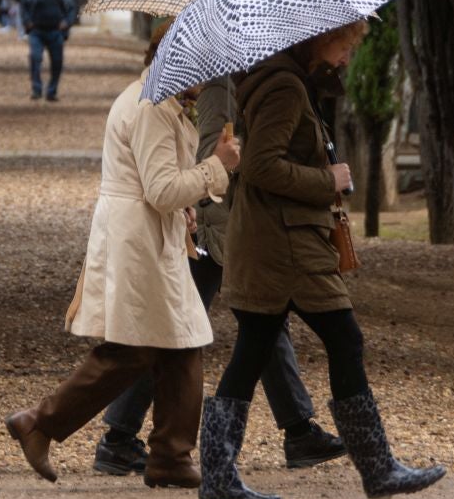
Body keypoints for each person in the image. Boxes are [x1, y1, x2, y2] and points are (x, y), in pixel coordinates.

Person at [200, 21, 446, 499]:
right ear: (316, 36)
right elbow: (261, 167)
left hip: (277, 241)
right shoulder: (285, 87)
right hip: (285, 247)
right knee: (342, 339)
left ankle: (218, 477)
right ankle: (377, 470)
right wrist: (326, 178)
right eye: (343, 43)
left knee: (253, 350)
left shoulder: (290, 81)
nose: (349, 55)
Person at [5, 28, 241, 486]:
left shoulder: (155, 100)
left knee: (181, 341)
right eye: (203, 68)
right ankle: (41, 422)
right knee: (134, 349)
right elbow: (160, 189)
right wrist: (218, 167)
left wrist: (186, 208)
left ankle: (171, 456)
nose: (208, 80)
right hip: (138, 241)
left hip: (145, 234)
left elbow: (160, 185)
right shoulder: (152, 106)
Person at [91, 73, 347, 476]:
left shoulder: (240, 84)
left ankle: (299, 431)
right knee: (171, 332)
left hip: (233, 222)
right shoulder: (220, 90)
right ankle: (117, 438)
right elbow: (214, 156)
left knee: (263, 322)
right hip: (219, 226)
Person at [19, 0, 76, 101]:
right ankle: (36, 88)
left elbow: (72, 9)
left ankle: (52, 90)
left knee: (57, 62)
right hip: (36, 31)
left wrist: (67, 23)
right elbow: (23, 6)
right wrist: (27, 22)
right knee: (35, 57)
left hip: (56, 32)